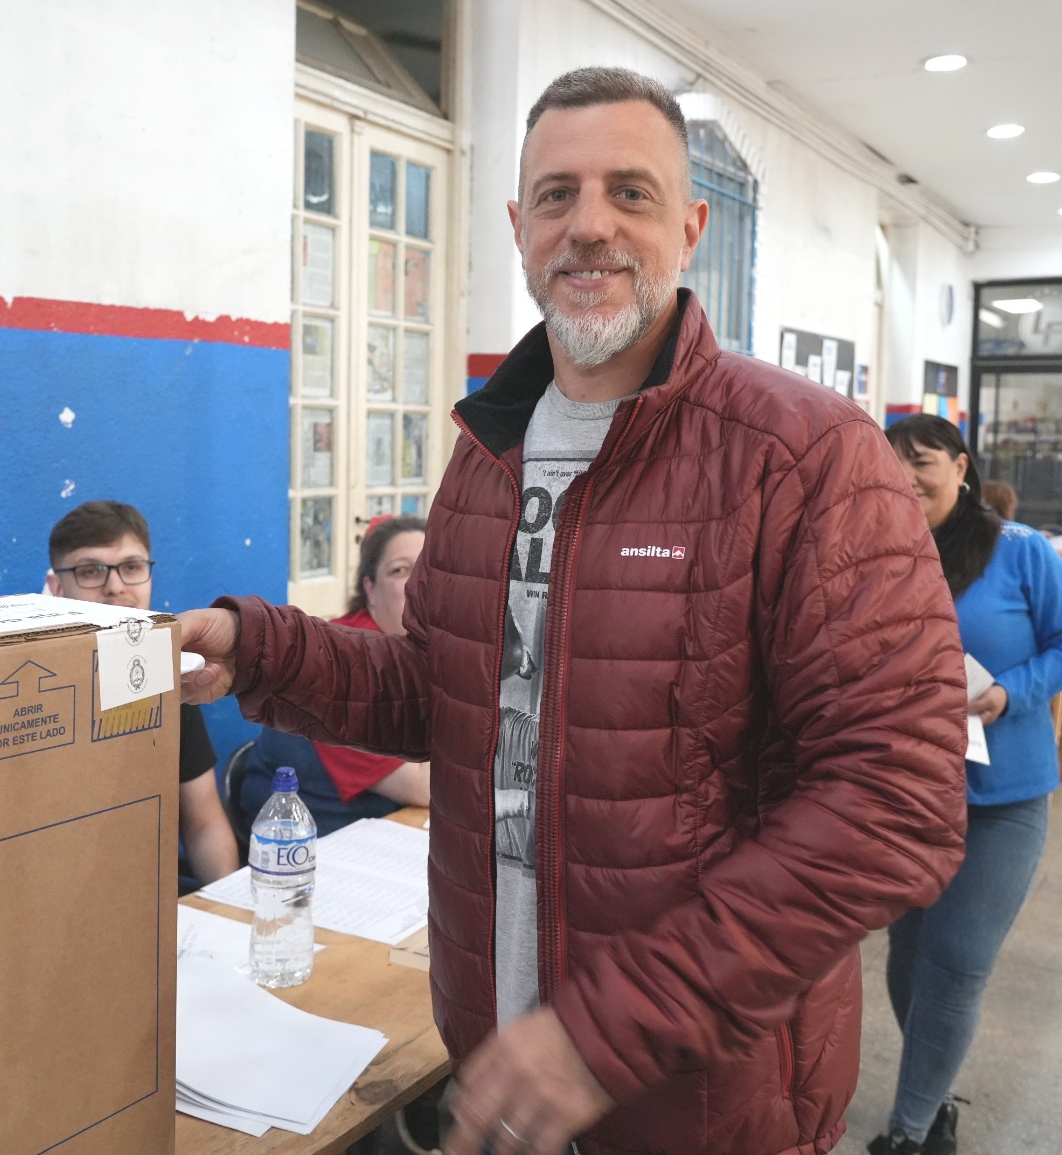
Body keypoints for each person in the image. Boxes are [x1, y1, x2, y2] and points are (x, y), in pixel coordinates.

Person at [181, 66, 969, 1155]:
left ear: (690, 226)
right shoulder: (486, 455)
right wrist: (260, 648)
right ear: (517, 227)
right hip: (503, 1065)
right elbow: (446, 696)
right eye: (556, 195)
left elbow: (898, 800)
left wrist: (609, 1031)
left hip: (701, 1097)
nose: (588, 226)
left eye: (629, 194)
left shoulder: (804, 457)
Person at [868, 416, 1062, 1155]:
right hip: (905, 794)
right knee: (909, 956)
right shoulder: (875, 549)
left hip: (1004, 801)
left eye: (922, 461)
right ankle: (932, 1100)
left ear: (961, 467)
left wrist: (1010, 692)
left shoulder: (1020, 551)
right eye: (891, 459)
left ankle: (908, 1130)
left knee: (957, 960)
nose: (904, 474)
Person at [46, 501, 238, 888]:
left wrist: (232, 907)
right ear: (55, 587)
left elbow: (203, 823)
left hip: (152, 893)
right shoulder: (38, 685)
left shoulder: (166, 676)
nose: (115, 586)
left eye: (132, 568)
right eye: (90, 571)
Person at [240, 516, 431, 839]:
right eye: (400, 570)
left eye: (431, 570)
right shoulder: (348, 663)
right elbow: (429, 788)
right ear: (369, 588)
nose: (419, 583)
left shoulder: (431, 654)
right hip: (311, 852)